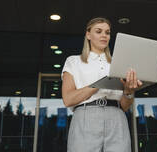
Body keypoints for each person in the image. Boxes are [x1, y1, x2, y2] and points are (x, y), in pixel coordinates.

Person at [61, 17, 143, 152]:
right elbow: (68, 99)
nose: (104, 35)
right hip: (86, 117)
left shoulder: (120, 64)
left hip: (117, 118)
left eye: (107, 32)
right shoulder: (73, 61)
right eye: (98, 31)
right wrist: (98, 85)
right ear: (88, 35)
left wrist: (128, 91)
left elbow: (124, 106)